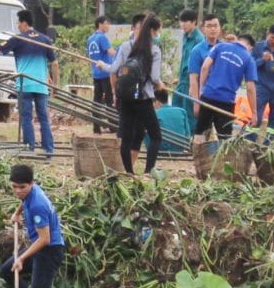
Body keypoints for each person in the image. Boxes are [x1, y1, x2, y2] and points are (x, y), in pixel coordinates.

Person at [0, 10, 57, 156]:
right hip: (41, 86)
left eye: (18, 23)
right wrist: (54, 84)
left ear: (24, 23)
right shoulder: (45, 40)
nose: (18, 26)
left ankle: (29, 148)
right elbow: (54, 63)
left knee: (26, 117)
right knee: (44, 118)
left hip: (25, 84)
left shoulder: (17, 39)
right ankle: (49, 150)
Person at [1, 164, 65, 288]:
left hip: (49, 250)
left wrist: (22, 258)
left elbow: (45, 239)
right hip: (37, 245)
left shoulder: (38, 205)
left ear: (31, 183)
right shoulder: (30, 193)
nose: (18, 191)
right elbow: (24, 201)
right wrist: (17, 213)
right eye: (14, 186)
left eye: (22, 187)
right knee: (6, 271)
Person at [114, 14, 165, 175]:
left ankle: (129, 173)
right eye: (158, 31)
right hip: (143, 97)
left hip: (126, 96)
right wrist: (160, 85)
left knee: (126, 137)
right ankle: (148, 172)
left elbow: (116, 69)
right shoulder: (154, 50)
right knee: (155, 136)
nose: (158, 34)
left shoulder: (126, 46)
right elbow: (155, 77)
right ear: (152, 31)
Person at [195, 33, 258, 143]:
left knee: (201, 131)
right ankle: (221, 153)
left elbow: (205, 67)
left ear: (238, 40)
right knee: (224, 138)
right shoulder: (249, 59)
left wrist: (201, 89)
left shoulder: (220, 46)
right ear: (250, 46)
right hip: (226, 102)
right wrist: (254, 113)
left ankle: (197, 152)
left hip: (208, 96)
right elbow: (250, 88)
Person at [186, 14, 222, 128]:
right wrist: (196, 103)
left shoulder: (224, 49)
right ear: (203, 29)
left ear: (220, 28)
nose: (213, 29)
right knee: (203, 131)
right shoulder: (197, 51)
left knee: (221, 132)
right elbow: (193, 79)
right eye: (209, 26)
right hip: (205, 97)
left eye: (215, 26)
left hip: (222, 97)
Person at [86, 15, 116, 134]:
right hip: (105, 73)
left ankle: (96, 127)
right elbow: (111, 52)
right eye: (107, 23)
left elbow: (89, 55)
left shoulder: (90, 39)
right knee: (109, 100)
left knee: (97, 101)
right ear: (100, 24)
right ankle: (113, 126)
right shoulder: (102, 37)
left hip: (96, 73)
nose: (108, 26)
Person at [172, 10, 203, 113]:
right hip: (182, 81)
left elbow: (199, 65)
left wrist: (194, 86)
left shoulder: (199, 39)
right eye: (181, 21)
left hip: (191, 82)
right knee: (176, 109)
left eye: (186, 21)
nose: (183, 24)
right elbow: (184, 60)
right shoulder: (185, 36)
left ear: (194, 21)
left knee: (189, 113)